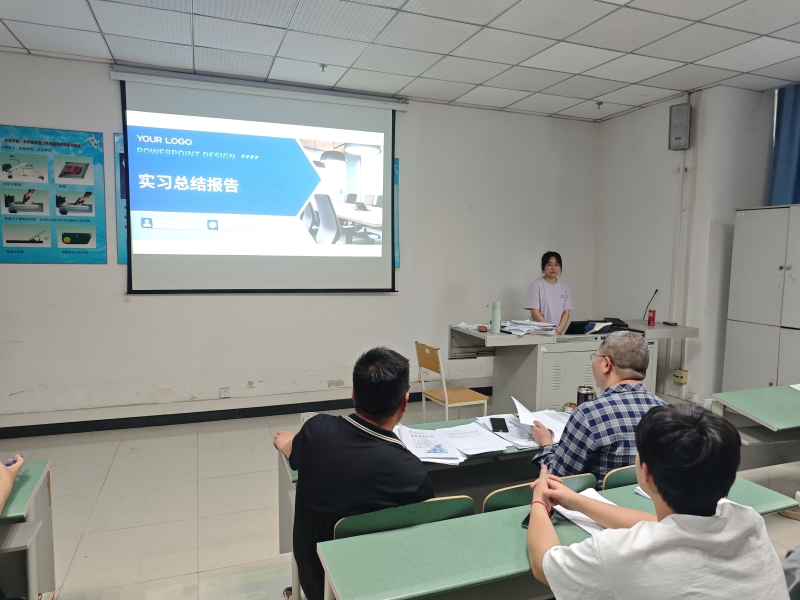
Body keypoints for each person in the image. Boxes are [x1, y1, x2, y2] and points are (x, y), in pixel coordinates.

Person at [526, 403, 789, 600]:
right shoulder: (748, 520)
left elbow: (542, 565)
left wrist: (539, 503)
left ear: (647, 472)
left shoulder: (617, 554)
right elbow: (661, 527)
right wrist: (577, 501)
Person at [273, 347, 433, 600]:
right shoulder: (410, 472)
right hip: (378, 588)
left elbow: (294, 449)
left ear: (353, 395)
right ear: (404, 402)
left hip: (317, 582)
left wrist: (288, 443)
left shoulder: (317, 430)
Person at [531, 330, 665, 487]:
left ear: (606, 364)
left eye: (595, 356)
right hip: (644, 500)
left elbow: (558, 478)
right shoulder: (665, 410)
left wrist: (546, 443)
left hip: (593, 501)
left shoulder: (588, 414)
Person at [525, 252, 572, 335]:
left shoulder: (564, 287)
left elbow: (566, 312)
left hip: (558, 334)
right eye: (549, 265)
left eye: (556, 265)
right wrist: (550, 330)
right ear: (543, 266)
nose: (553, 268)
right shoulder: (536, 286)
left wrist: (558, 331)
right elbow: (535, 313)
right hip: (540, 333)